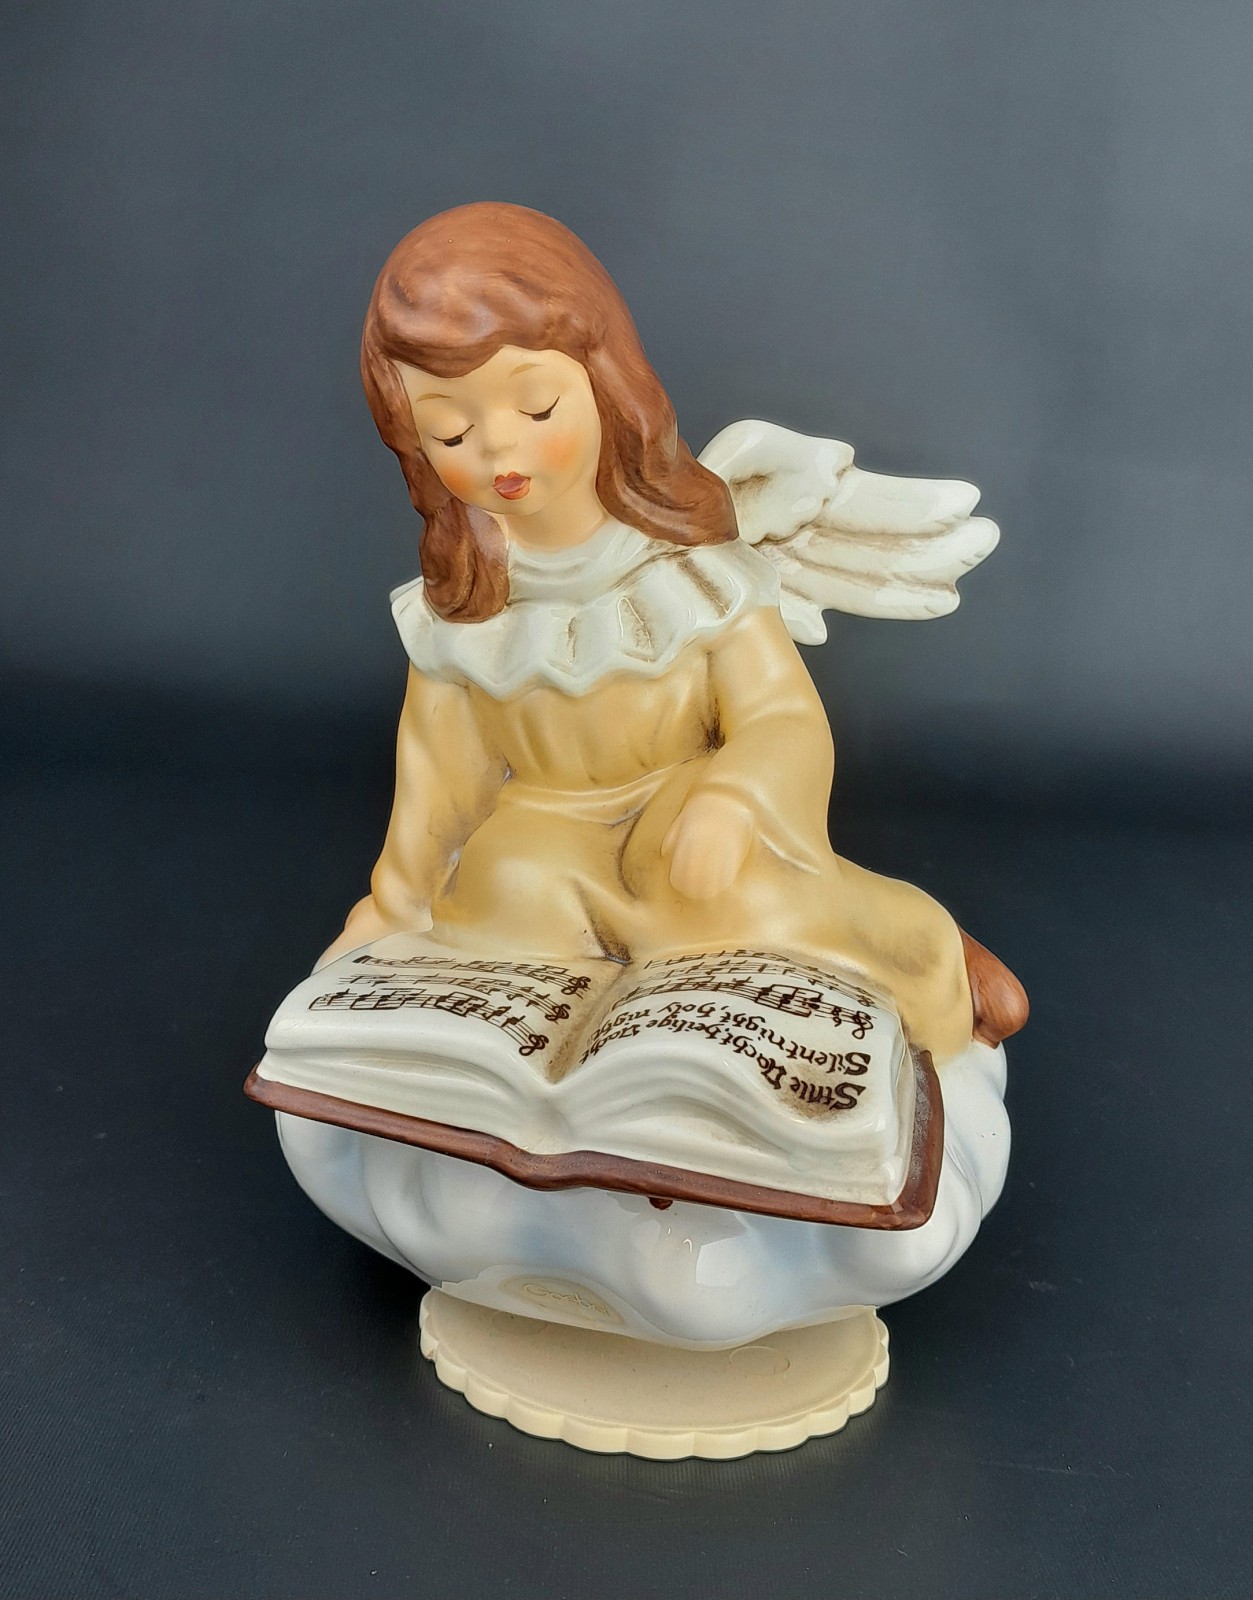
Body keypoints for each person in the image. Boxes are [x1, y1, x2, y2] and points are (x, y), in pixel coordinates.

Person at [322, 200, 1026, 1068]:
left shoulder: (692, 563)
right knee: (500, 896)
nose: (500, 450)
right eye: (451, 431)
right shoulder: (460, 606)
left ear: (604, 384)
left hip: (681, 811)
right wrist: (393, 907)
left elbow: (782, 719)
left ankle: (913, 948)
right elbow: (440, 779)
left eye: (537, 407)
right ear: (412, 441)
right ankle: (563, 1079)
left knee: (718, 896)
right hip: (546, 831)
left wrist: (734, 797)